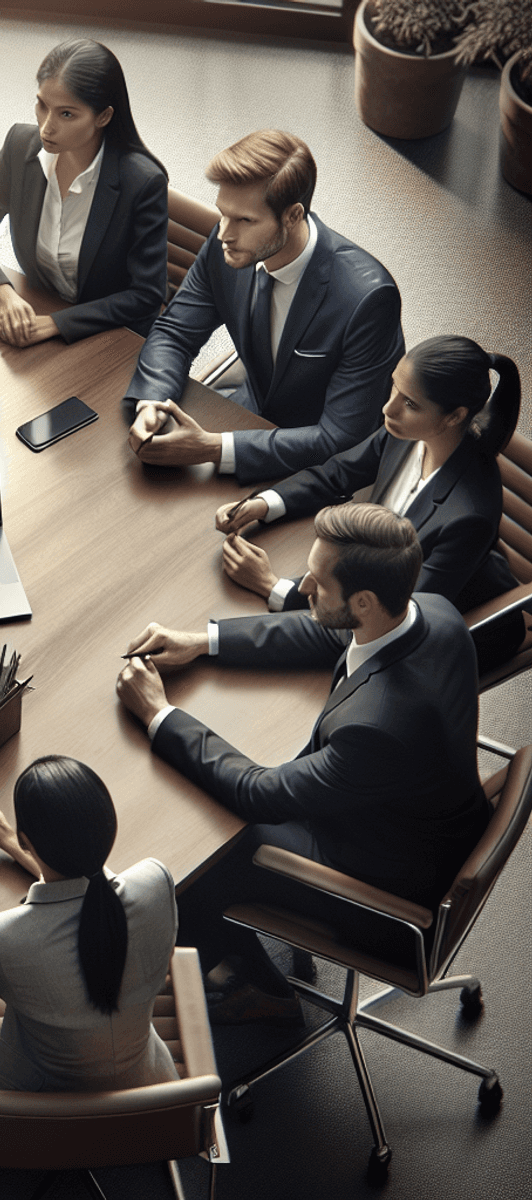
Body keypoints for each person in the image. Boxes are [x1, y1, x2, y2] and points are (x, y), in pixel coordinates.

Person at [115, 503, 489, 1022]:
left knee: (211, 851)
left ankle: (255, 983)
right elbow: (329, 631)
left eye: (317, 582)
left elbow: (257, 792)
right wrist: (204, 642)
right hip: (421, 825)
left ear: (363, 600)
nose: (304, 589)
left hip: (381, 886)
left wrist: (160, 714)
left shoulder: (378, 727)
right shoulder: (433, 613)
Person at [125, 130, 404, 486]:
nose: (224, 233)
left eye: (245, 220)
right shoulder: (225, 245)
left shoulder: (367, 299)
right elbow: (175, 331)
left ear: (292, 216)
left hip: (323, 471)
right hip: (248, 415)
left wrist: (214, 449)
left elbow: (342, 438)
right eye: (222, 214)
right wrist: (151, 402)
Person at [216, 335, 521, 614]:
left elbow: (398, 612)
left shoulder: (472, 516)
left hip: (438, 625)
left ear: (455, 416)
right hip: (366, 567)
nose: (389, 409)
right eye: (395, 388)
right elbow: (336, 474)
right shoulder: (405, 433)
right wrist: (263, 504)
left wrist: (274, 587)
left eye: (410, 403)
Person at [0, 757, 179, 1092]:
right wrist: (5, 836)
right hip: (152, 1087)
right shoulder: (156, 883)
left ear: (27, 841)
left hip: (33, 1103)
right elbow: (86, 889)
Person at [0, 38, 168, 347]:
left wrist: (56, 324)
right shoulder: (20, 148)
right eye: (42, 105)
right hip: (42, 319)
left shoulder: (142, 183)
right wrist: (5, 294)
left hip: (112, 340)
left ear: (103, 117)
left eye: (66, 114)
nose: (46, 128)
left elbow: (146, 296)